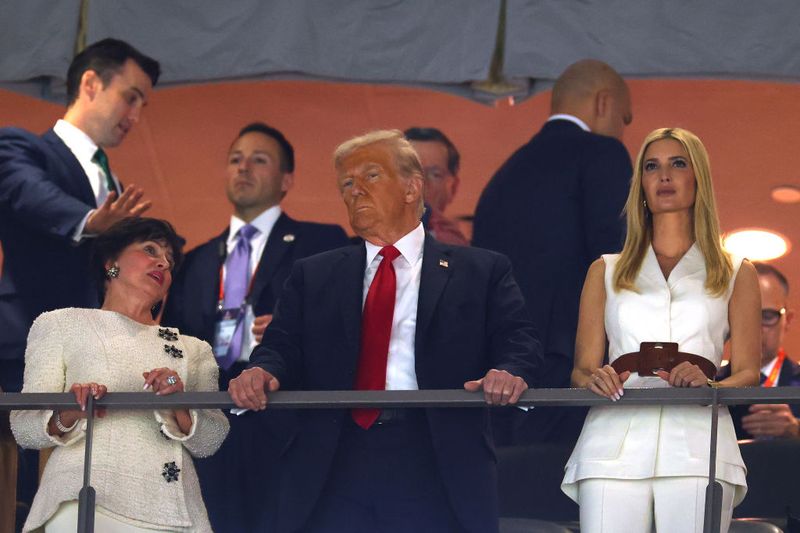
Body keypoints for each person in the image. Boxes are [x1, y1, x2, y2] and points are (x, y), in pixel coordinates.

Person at [229, 130, 542, 533]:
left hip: (434, 453)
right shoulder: (314, 274)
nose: (355, 190)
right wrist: (263, 371)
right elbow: (281, 346)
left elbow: (520, 342)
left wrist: (509, 372)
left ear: (413, 187)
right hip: (333, 456)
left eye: (370, 176)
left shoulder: (481, 271)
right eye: (346, 183)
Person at [562, 128, 761, 533]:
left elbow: (747, 372)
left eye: (678, 163)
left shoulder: (737, 270)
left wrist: (710, 383)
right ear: (641, 185)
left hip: (698, 442)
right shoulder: (605, 270)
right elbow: (581, 369)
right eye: (652, 166)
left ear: (697, 179)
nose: (664, 175)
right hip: (612, 440)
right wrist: (594, 377)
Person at [0, 37, 158, 528]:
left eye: (142, 104)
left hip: (95, 361)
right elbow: (29, 194)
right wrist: (91, 222)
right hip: (22, 340)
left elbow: (106, 269)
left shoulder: (111, 182)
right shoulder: (22, 146)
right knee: (11, 489)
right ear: (90, 83)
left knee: (73, 493)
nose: (135, 114)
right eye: (130, 97)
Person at [162, 121, 349, 532]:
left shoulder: (322, 243)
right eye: (235, 159)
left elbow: (350, 321)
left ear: (287, 180)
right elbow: (170, 340)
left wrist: (298, 330)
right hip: (209, 426)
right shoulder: (194, 260)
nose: (243, 168)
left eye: (258, 160)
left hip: (287, 424)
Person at [10, 218, 229, 532]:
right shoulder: (61, 324)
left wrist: (179, 401)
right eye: (150, 249)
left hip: (175, 510)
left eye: (169, 261)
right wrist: (72, 409)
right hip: (84, 498)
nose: (162, 263)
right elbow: (24, 428)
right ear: (111, 264)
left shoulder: (193, 349)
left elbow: (211, 440)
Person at [472, 59, 633, 444]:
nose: (623, 131)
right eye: (624, 119)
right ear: (603, 103)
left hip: (502, 369)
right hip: (571, 365)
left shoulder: (504, 174)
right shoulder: (602, 152)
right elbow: (615, 257)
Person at [723, 262, 799, 439]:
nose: (755, 328)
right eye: (743, 316)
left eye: (767, 316)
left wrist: (796, 430)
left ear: (787, 320)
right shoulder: (709, 385)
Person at [404, 127, 469, 245]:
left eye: (435, 175)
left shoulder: (461, 252)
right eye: (408, 173)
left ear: (452, 188)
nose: (421, 184)